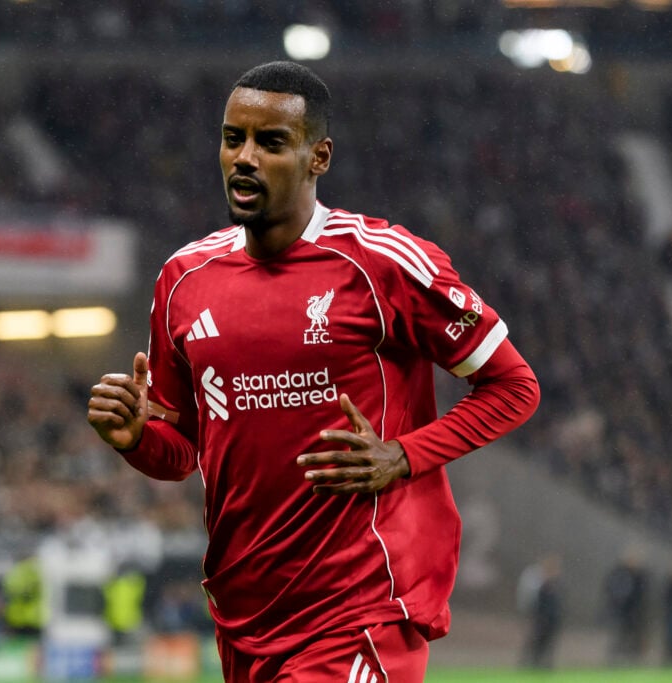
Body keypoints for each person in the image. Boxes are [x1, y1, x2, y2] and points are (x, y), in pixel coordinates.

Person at [86, 61, 540, 683]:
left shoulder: (382, 265)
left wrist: (402, 456)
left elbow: (514, 386)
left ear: (317, 157)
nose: (244, 157)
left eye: (271, 142)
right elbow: (185, 451)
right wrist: (137, 437)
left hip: (359, 607)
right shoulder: (184, 280)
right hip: (244, 613)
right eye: (232, 138)